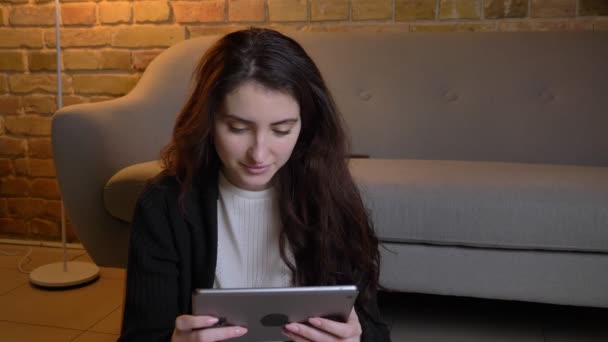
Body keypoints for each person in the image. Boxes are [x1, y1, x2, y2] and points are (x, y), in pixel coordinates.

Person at [118, 27, 391, 342]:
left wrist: (356, 339)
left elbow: (376, 330)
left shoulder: (331, 196)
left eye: (281, 130)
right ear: (208, 121)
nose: (259, 154)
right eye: (237, 128)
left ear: (306, 127)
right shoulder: (164, 204)